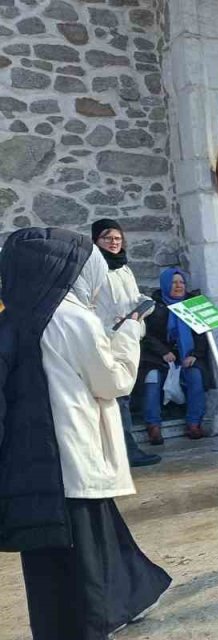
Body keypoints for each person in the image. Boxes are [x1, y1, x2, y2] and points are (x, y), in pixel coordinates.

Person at [1, 228, 171, 639]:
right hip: (73, 462)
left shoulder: (11, 316)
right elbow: (112, 381)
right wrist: (130, 331)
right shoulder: (70, 317)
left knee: (46, 572)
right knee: (87, 571)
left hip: (30, 467)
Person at [90, 218, 161, 466]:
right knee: (117, 395)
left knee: (124, 395)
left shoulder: (124, 268)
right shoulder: (92, 267)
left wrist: (144, 306)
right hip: (108, 339)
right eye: (107, 238)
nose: (113, 242)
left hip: (129, 337)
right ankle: (124, 450)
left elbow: (132, 297)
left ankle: (121, 448)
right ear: (96, 240)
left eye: (117, 238)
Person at [139, 268, 215, 442]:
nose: (179, 286)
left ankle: (194, 423)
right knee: (152, 378)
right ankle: (153, 426)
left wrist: (195, 354)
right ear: (166, 284)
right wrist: (163, 352)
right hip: (157, 359)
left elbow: (202, 334)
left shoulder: (192, 305)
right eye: (174, 283)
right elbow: (145, 335)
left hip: (187, 356)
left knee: (196, 375)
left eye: (181, 282)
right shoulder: (153, 306)